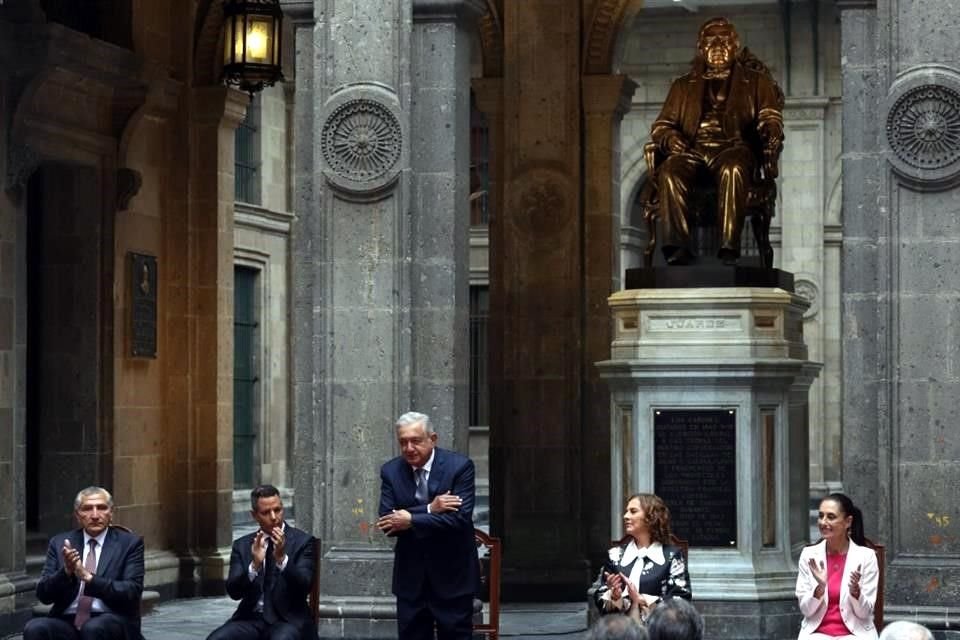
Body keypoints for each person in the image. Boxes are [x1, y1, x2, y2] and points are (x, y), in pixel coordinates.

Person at [650, 16, 784, 265]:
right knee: (670, 171)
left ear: (735, 45)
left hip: (733, 147)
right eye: (711, 41)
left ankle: (729, 247)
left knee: (733, 168)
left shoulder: (756, 81)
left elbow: (769, 115)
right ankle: (677, 249)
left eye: (724, 40)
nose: (718, 46)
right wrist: (670, 139)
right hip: (692, 149)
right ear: (701, 48)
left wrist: (770, 129)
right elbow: (662, 126)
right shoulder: (682, 85)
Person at [377, 411, 478, 640]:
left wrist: (410, 519)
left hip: (452, 576)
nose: (409, 448)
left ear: (433, 439)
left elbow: (459, 519)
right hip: (411, 579)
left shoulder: (460, 467)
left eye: (416, 441)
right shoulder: (391, 471)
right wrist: (431, 509)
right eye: (403, 442)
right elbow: (387, 521)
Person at [23, 486, 145, 640]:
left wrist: (89, 578)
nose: (95, 515)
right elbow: (44, 595)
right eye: (87, 509)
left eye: (101, 508)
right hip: (68, 621)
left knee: (93, 628)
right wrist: (66, 572)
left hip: (112, 619)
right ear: (77, 515)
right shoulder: (60, 542)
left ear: (111, 512)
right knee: (35, 628)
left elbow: (131, 592)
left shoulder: (129, 543)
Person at [206, 485, 316, 640]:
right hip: (251, 619)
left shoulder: (303, 542)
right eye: (265, 512)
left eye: (277, 510)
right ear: (254, 515)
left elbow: (305, 585)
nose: (273, 517)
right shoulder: (242, 545)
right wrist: (254, 565)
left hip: (288, 620)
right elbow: (234, 592)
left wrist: (282, 559)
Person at [594, 494, 691, 623]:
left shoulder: (672, 556)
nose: (626, 516)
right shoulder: (615, 556)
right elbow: (600, 599)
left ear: (651, 518)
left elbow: (681, 602)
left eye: (633, 511)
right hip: (621, 632)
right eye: (626, 511)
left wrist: (643, 600)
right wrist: (614, 597)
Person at [796, 492, 880, 639]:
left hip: (855, 634)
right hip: (817, 634)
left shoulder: (867, 557)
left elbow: (865, 613)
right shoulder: (809, 555)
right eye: (821, 516)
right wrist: (819, 588)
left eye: (831, 517)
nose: (823, 522)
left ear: (848, 522)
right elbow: (806, 610)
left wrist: (856, 593)